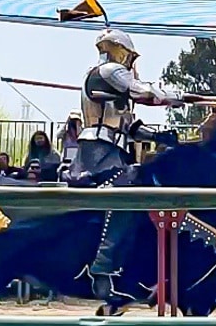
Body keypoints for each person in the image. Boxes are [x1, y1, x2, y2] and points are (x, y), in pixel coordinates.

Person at [70, 28, 192, 299]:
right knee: (128, 193)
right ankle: (102, 270)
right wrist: (176, 97)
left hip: (112, 150)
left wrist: (158, 136)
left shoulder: (112, 81)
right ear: (120, 51)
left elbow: (129, 126)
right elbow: (142, 91)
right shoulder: (108, 71)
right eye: (130, 57)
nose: (131, 63)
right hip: (97, 152)